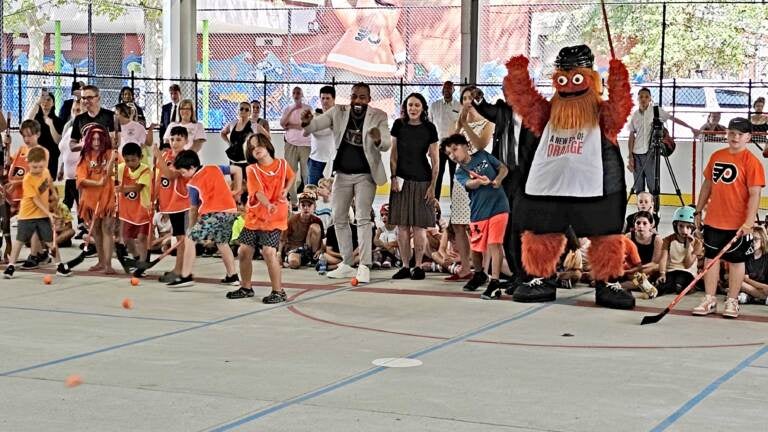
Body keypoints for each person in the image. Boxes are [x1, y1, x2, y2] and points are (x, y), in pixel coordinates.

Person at [300, 82, 391, 284]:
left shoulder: (379, 116)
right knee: (339, 217)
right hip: (342, 174)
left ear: (368, 99)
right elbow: (316, 125)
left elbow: (386, 142)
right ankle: (348, 264)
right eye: (354, 96)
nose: (357, 100)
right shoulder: (339, 112)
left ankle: (364, 265)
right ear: (349, 97)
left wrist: (377, 140)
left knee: (362, 217)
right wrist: (307, 122)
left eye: (362, 97)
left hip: (366, 175)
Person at [692, 117, 764, 319]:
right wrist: (698, 211)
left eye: (740, 134)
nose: (735, 137)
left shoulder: (752, 162)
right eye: (732, 132)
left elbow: (755, 194)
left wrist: (749, 223)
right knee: (711, 260)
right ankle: (709, 299)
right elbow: (707, 185)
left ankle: (732, 300)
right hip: (714, 219)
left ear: (748, 137)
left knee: (736, 261)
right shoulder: (717, 156)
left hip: (739, 224)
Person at [473, 86, 535, 290]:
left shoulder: (533, 114)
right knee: (507, 227)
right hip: (503, 175)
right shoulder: (501, 110)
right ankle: (517, 274)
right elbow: (485, 109)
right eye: (506, 91)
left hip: (524, 175)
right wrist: (478, 98)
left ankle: (526, 275)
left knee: (520, 226)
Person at [226, 133, 293, 302]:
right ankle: (246, 287)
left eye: (258, 145)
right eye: (252, 148)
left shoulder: (283, 165)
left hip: (274, 218)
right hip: (256, 216)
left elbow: (292, 177)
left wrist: (286, 189)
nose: (256, 149)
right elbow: (257, 192)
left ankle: (279, 291)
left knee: (269, 252)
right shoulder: (252, 169)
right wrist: (267, 204)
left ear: (267, 145)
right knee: (243, 251)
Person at [447, 134, 510, 300]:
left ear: (466, 146)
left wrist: (498, 179)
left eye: (455, 149)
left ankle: (495, 282)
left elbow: (503, 168)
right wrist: (479, 182)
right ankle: (479, 274)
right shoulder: (460, 172)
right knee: (476, 249)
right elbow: (469, 184)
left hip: (499, 207)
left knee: (495, 244)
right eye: (449, 154)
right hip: (478, 213)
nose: (453, 155)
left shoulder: (483, 155)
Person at [171, 150, 242, 287]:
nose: (182, 175)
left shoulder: (193, 184)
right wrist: (237, 189)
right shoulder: (214, 167)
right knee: (222, 243)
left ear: (192, 167)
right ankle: (232, 276)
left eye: (183, 172)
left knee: (190, 239)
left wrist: (191, 228)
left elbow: (193, 209)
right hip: (230, 211)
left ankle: (186, 276)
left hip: (214, 214)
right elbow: (237, 169)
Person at [448, 85, 494, 289]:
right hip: (461, 176)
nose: (467, 102)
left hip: (479, 175)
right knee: (458, 223)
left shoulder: (487, 123)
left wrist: (466, 125)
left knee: (477, 225)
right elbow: (449, 145)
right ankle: (465, 266)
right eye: (464, 98)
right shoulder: (459, 122)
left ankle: (482, 269)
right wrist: (459, 124)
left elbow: (480, 145)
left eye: (471, 98)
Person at [389, 92, 439, 280]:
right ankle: (404, 265)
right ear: (405, 107)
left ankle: (417, 266)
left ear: (423, 108)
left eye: (417, 105)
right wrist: (393, 177)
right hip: (401, 180)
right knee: (402, 226)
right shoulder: (398, 126)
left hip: (422, 181)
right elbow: (393, 154)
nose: (413, 108)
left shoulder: (430, 128)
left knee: (419, 227)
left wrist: (433, 185)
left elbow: (435, 159)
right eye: (410, 105)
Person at [3, 147, 71, 279]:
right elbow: (35, 200)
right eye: (34, 167)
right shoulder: (28, 179)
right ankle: (11, 266)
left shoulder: (45, 172)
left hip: (42, 216)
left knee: (51, 242)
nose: (37, 170)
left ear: (44, 163)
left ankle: (59, 266)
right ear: (29, 164)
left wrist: (55, 194)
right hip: (27, 215)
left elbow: (49, 181)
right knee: (20, 241)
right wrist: (49, 213)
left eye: (40, 167)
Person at [627, 87, 699, 195]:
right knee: (638, 186)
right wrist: (630, 156)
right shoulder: (635, 115)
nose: (643, 99)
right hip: (636, 154)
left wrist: (690, 128)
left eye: (646, 97)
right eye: (641, 97)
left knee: (653, 185)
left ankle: (654, 210)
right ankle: (641, 211)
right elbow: (631, 136)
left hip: (650, 153)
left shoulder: (656, 111)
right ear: (637, 99)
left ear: (650, 99)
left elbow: (672, 118)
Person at [6, 120, 50, 268]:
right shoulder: (22, 150)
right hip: (18, 195)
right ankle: (41, 253)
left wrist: (16, 183)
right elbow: (11, 165)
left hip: (34, 195)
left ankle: (34, 255)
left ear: (37, 134)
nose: (26, 139)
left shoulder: (42, 152)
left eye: (29, 135)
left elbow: (36, 174)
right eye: (24, 135)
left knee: (34, 226)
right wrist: (7, 146)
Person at [152, 126, 192, 283]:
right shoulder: (165, 155)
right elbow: (161, 178)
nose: (174, 143)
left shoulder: (186, 157)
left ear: (186, 141)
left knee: (182, 238)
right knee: (178, 237)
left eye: (179, 139)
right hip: (169, 203)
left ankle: (181, 270)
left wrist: (157, 156)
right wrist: (156, 198)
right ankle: (179, 269)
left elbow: (170, 174)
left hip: (182, 203)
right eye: (172, 139)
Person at [76, 126, 117, 274]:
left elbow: (118, 172)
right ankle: (101, 261)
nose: (96, 141)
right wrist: (98, 183)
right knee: (97, 230)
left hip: (108, 197)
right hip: (92, 198)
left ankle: (108, 264)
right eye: (93, 138)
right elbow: (81, 179)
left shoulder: (112, 153)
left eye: (99, 138)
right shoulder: (86, 156)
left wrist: (112, 160)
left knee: (107, 228)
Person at [116, 143, 151, 263]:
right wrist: (112, 159)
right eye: (127, 160)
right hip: (127, 211)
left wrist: (122, 189)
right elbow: (109, 172)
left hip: (142, 210)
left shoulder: (145, 170)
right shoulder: (121, 168)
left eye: (133, 160)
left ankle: (143, 261)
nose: (130, 163)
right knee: (127, 238)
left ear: (140, 158)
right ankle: (136, 257)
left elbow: (138, 188)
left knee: (142, 238)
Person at [657, 206, 703, 296]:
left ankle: (693, 286)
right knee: (663, 286)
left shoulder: (697, 243)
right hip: (672, 270)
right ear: (675, 225)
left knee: (679, 287)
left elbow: (687, 264)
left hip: (688, 272)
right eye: (681, 226)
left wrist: (688, 245)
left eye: (688, 227)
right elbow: (663, 258)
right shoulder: (668, 239)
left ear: (693, 228)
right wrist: (662, 273)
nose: (684, 230)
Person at [429, 80, 461, 199]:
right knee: (438, 174)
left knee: (454, 176)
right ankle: (435, 203)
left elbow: (462, 127)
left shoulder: (459, 106)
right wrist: (429, 147)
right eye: (445, 88)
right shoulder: (435, 105)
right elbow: (430, 127)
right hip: (439, 146)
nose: (447, 90)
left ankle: (455, 205)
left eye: (449, 88)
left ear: (453, 90)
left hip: (454, 147)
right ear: (442, 90)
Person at [281, 86, 312, 207]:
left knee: (306, 174)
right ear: (292, 95)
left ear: (302, 94)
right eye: (294, 93)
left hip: (306, 145)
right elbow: (283, 124)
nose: (296, 94)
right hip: (290, 145)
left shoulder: (308, 108)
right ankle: (293, 201)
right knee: (291, 174)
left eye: (298, 92)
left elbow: (307, 125)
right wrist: (292, 110)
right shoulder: (287, 108)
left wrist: (291, 125)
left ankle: (307, 200)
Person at [622, 211, 662, 299]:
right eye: (638, 223)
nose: (641, 226)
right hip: (632, 269)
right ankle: (642, 283)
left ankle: (620, 285)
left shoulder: (657, 239)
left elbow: (655, 262)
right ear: (634, 225)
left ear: (651, 225)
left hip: (647, 269)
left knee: (657, 267)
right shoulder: (628, 237)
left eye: (644, 223)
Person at [26, 88, 63, 180]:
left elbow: (58, 140)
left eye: (48, 99)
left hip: (52, 156)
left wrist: (51, 125)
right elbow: (27, 121)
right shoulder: (36, 119)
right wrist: (37, 102)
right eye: (44, 99)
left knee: (48, 182)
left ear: (53, 103)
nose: (45, 102)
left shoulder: (58, 121)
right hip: (37, 155)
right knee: (36, 181)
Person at [281, 191, 324, 269]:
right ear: (299, 206)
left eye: (309, 205)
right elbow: (282, 240)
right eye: (303, 205)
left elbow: (323, 239)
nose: (306, 208)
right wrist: (279, 256)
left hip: (309, 248)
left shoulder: (317, 220)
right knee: (294, 264)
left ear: (314, 207)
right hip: (294, 249)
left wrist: (320, 250)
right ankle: (290, 259)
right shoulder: (292, 220)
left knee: (315, 227)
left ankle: (313, 258)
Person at [70, 85, 116, 153]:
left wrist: (97, 143)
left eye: (89, 97)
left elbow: (115, 143)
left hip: (106, 159)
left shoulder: (111, 116)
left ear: (98, 98)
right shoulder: (79, 119)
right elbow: (72, 145)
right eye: (83, 98)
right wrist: (83, 145)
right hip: (87, 160)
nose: (86, 101)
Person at [58, 97, 83, 220]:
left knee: (79, 202)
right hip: (69, 175)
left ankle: (83, 226)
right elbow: (64, 150)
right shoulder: (69, 128)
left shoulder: (84, 129)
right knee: (67, 202)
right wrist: (62, 168)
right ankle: (64, 225)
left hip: (80, 175)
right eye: (73, 110)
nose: (75, 113)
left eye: (78, 110)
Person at [306, 86, 336, 186]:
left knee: (333, 193)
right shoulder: (314, 115)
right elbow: (315, 131)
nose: (325, 101)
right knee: (312, 191)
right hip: (315, 160)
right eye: (322, 98)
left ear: (333, 99)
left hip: (334, 160)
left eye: (328, 98)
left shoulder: (339, 116)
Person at [220, 101, 255, 181]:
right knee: (235, 184)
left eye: (247, 109)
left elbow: (265, 138)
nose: (243, 111)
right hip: (234, 161)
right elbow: (223, 133)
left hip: (247, 161)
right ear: (238, 111)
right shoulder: (233, 123)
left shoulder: (253, 126)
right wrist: (229, 143)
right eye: (241, 109)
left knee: (247, 186)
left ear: (250, 113)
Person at [739, 225, 768, 304]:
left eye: (755, 239)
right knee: (740, 283)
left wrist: (763, 287)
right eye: (751, 239)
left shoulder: (766, 257)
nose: (752, 242)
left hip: (762, 287)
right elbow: (745, 279)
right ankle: (764, 298)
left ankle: (751, 297)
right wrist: (762, 286)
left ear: (763, 241)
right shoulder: (745, 257)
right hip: (751, 286)